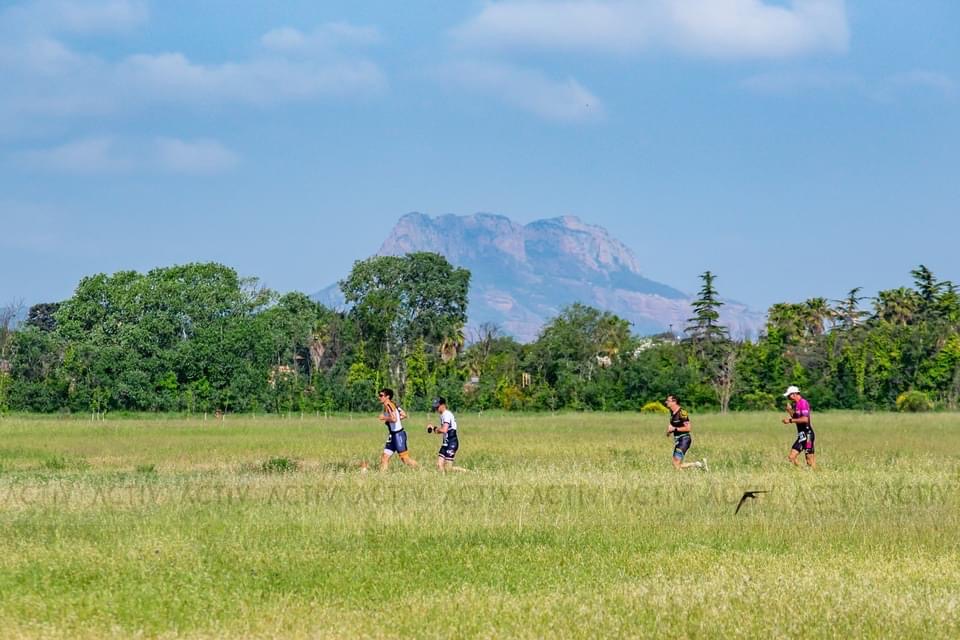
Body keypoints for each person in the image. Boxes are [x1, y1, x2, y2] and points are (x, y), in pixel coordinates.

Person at [377, 388, 417, 471]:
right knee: (385, 457)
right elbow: (403, 415)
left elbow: (394, 419)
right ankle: (382, 476)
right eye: (379, 395)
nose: (379, 397)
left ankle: (420, 469)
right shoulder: (393, 405)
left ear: (387, 397)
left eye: (381, 395)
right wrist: (390, 421)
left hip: (398, 435)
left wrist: (384, 418)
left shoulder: (389, 405)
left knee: (405, 459)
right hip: (392, 435)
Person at [664, 395, 707, 471]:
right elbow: (672, 426)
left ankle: (687, 474)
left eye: (668, 401)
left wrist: (674, 429)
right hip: (678, 440)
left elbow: (688, 428)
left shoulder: (682, 412)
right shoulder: (672, 412)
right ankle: (698, 465)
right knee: (675, 464)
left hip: (684, 440)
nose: (666, 402)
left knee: (676, 464)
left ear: (674, 402)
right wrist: (669, 431)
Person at [427, 397, 466, 472]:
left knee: (448, 468)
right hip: (446, 443)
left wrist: (435, 428)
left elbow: (444, 430)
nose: (436, 409)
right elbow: (441, 430)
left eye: (437, 407)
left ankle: (467, 472)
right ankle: (442, 478)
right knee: (439, 465)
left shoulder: (447, 414)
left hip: (452, 442)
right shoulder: (443, 415)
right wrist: (433, 428)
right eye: (435, 407)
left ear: (443, 405)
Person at [782, 385, 816, 468]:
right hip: (802, 436)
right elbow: (797, 418)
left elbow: (805, 419)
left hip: (808, 435)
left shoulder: (803, 403)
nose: (788, 398)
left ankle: (818, 473)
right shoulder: (796, 404)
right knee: (791, 457)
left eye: (789, 395)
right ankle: (802, 471)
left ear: (794, 394)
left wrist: (790, 421)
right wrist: (790, 410)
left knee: (809, 460)